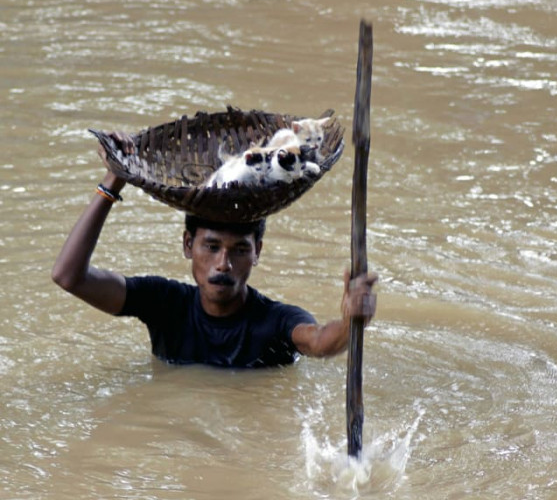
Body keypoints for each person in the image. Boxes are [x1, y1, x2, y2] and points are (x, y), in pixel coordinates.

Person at [52, 132, 377, 368]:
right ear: (187, 245)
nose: (223, 264)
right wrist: (112, 181)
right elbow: (68, 276)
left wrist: (351, 323)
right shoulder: (164, 304)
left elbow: (319, 342)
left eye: (239, 250)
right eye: (211, 246)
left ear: (257, 252)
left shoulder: (276, 320)